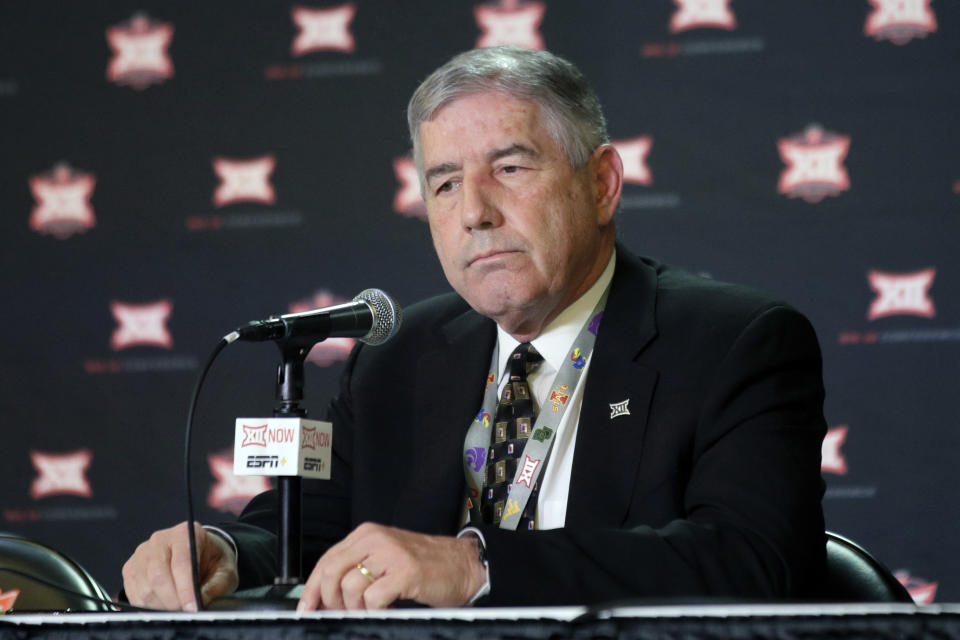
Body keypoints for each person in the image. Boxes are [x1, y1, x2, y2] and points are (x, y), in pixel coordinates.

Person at [121, 46, 827, 611]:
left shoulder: (736, 342)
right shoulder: (399, 356)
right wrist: (223, 550)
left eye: (510, 168)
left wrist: (477, 565)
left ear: (603, 183)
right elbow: (308, 530)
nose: (475, 213)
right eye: (446, 182)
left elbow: (754, 563)